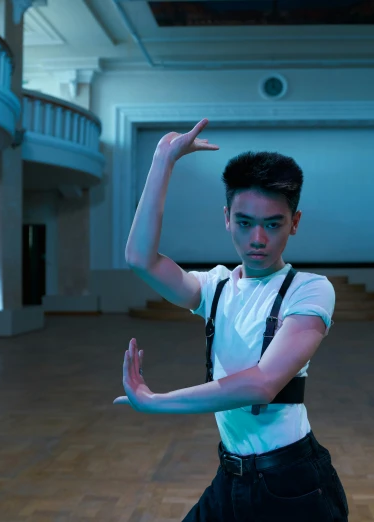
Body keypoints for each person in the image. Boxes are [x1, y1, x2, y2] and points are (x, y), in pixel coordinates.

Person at [115, 119, 349, 521]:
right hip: (231, 476)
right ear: (227, 218)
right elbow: (141, 259)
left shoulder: (309, 289)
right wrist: (163, 160)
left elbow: (262, 384)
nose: (257, 238)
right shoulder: (215, 286)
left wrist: (157, 402)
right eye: (244, 222)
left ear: (294, 222)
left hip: (291, 482)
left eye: (273, 224)